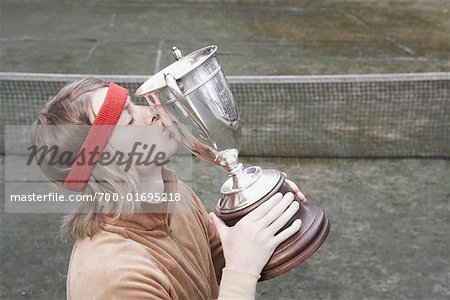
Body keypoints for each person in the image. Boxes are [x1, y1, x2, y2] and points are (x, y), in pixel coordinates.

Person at [32, 78, 307, 300]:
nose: (153, 113)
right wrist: (242, 270)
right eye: (128, 120)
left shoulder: (172, 193)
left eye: (134, 105)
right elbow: (237, 271)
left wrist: (262, 213)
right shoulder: (114, 278)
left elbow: (216, 264)